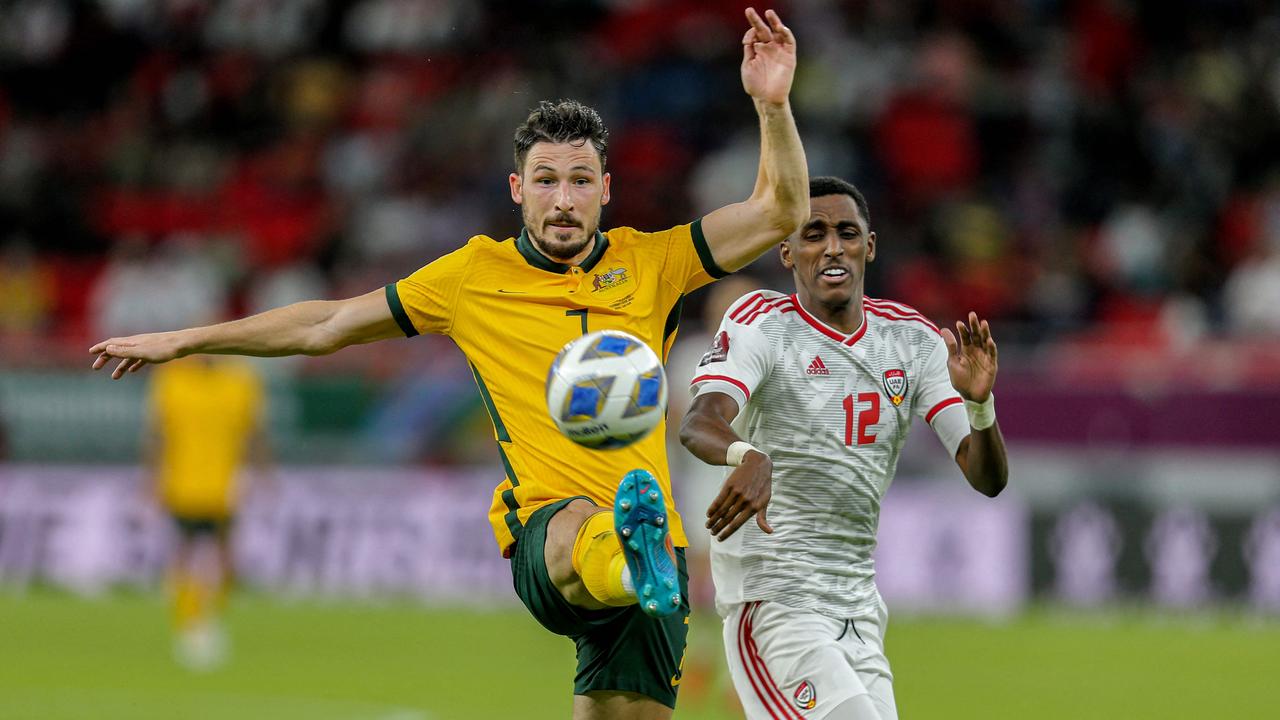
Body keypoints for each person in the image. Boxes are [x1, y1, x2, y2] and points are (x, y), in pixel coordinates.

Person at [89, 8, 807, 718]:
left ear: (607, 191)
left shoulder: (654, 262)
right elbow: (328, 323)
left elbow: (779, 214)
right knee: (579, 525)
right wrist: (187, 339)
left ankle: (636, 565)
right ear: (517, 189)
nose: (564, 200)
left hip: (662, 564)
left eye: (581, 181)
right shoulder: (471, 277)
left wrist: (772, 105)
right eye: (547, 181)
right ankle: (627, 558)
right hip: (549, 531)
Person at [679, 176, 1009, 720]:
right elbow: (701, 420)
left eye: (846, 233)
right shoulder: (761, 324)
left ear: (869, 246)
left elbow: (986, 477)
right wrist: (748, 455)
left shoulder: (913, 341)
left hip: (857, 606)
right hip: (774, 599)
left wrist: (980, 406)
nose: (832, 246)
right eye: (813, 234)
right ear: (787, 251)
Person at [145, 355, 268, 669]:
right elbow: (158, 435)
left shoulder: (240, 381)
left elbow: (253, 433)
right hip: (183, 485)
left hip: (223, 486)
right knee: (185, 552)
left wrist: (262, 472)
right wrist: (152, 477)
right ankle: (188, 619)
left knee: (224, 554)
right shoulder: (172, 381)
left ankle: (209, 615)